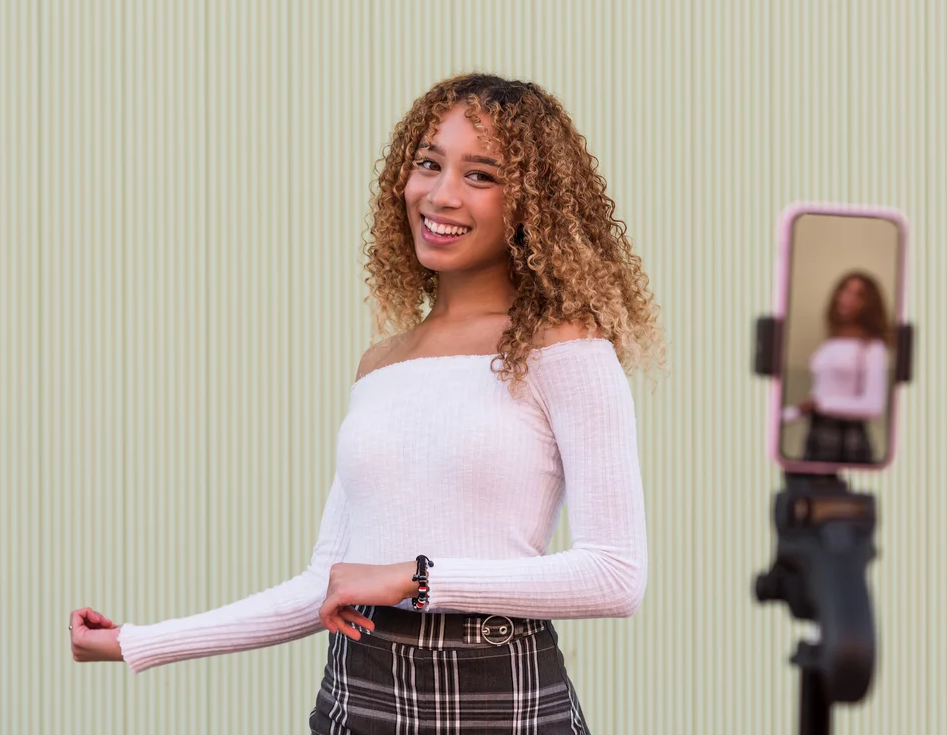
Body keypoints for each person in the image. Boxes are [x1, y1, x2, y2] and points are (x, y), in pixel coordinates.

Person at [68, 73, 664, 734]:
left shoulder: (566, 349)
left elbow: (615, 574)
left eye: (481, 175)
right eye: (429, 164)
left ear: (531, 203)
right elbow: (328, 582)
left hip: (499, 697)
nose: (440, 194)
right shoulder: (381, 365)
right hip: (356, 695)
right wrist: (139, 641)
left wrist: (418, 578)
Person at [794, 271, 891, 465]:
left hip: (847, 439)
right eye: (845, 291)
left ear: (868, 304)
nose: (848, 299)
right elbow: (819, 393)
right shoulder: (829, 344)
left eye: (858, 295)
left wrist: (822, 404)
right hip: (817, 434)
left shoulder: (872, 348)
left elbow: (874, 406)